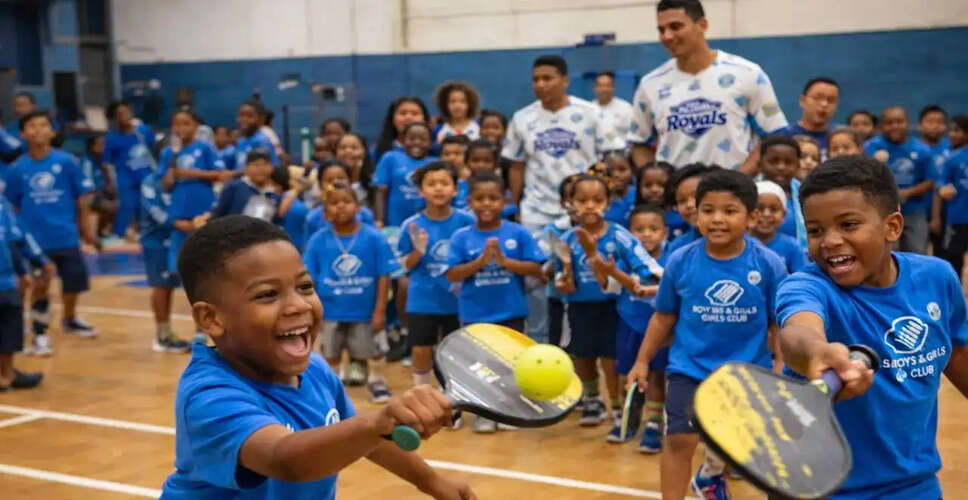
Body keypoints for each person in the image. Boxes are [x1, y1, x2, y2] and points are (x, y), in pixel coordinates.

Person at [161, 215, 475, 499]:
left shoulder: (313, 368)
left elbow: (368, 438)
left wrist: (432, 481)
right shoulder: (209, 396)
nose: (298, 305)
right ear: (210, 319)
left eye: (305, 286)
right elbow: (283, 458)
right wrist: (378, 421)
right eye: (268, 294)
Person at [775, 155, 968, 500]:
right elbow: (798, 333)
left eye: (848, 224)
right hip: (817, 489)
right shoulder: (806, 286)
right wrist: (819, 354)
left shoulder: (937, 278)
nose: (829, 240)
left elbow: (955, 350)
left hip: (914, 485)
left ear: (892, 227)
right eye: (815, 230)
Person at [628, 169, 787, 500]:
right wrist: (642, 361)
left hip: (746, 372)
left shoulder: (768, 264)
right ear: (695, 214)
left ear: (751, 217)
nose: (717, 219)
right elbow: (663, 317)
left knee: (734, 442)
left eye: (729, 211)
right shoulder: (680, 261)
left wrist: (781, 367)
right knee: (679, 440)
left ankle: (711, 476)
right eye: (708, 210)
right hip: (690, 368)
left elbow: (778, 323)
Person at [504, 54, 624, 344]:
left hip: (582, 211)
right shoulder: (523, 118)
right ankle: (538, 342)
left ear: (565, 80)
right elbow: (516, 164)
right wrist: (517, 205)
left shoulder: (591, 114)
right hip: (537, 209)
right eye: (536, 79)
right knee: (536, 275)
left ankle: (576, 343)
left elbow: (613, 157)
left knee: (579, 273)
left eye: (548, 78)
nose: (541, 85)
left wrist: (601, 193)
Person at [628, 0, 788, 173]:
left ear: (702, 25)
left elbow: (775, 135)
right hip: (677, 197)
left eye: (675, 27)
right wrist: (659, 183)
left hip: (734, 193)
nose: (667, 36)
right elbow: (639, 145)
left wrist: (738, 179)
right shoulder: (650, 84)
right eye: (661, 30)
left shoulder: (747, 73)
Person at [555, 174, 660, 432]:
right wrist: (563, 281)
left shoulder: (620, 236)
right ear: (570, 203)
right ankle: (592, 400)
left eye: (597, 200)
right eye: (582, 200)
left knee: (610, 358)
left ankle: (615, 406)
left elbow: (643, 264)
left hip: (615, 306)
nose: (590, 206)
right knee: (583, 354)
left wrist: (647, 282)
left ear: (608, 204)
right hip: (579, 306)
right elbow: (562, 274)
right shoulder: (567, 239)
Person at [446, 171, 547, 433]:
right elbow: (452, 273)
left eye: (493, 198)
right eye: (480, 198)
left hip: (511, 310)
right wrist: (479, 263)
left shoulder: (518, 233)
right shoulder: (461, 237)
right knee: (480, 366)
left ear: (504, 201)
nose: (486, 204)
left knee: (509, 365)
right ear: (470, 202)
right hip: (475, 312)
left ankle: (506, 411)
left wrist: (505, 262)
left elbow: (538, 270)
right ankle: (484, 413)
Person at [5, 111, 98, 355]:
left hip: (65, 235)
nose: (39, 130)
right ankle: (39, 333)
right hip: (35, 241)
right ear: (23, 134)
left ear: (52, 131)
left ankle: (69, 318)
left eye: (44, 125)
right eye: (32, 126)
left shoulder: (67, 162)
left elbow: (81, 198)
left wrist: (86, 228)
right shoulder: (17, 169)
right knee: (40, 284)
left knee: (74, 282)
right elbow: (11, 206)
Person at [303, 182, 397, 403]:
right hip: (331, 310)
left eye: (347, 201)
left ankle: (377, 382)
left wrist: (380, 310)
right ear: (325, 213)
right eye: (334, 203)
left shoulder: (374, 238)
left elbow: (383, 275)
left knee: (373, 349)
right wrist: (312, 309)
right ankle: (333, 387)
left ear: (358, 207)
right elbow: (309, 278)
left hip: (365, 310)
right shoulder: (318, 240)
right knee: (331, 353)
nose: (341, 207)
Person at [398, 162, 474, 391]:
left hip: (459, 299)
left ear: (456, 189)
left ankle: (454, 396)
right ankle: (421, 391)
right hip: (423, 298)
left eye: (444, 183)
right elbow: (403, 266)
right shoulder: (411, 225)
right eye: (431, 184)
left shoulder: (467, 222)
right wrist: (417, 252)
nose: (438, 189)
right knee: (421, 348)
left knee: (455, 351)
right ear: (421, 191)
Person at [613, 204, 667, 449]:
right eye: (639, 229)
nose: (646, 234)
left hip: (659, 328)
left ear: (664, 232)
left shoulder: (671, 260)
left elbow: (668, 287)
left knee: (656, 375)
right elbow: (613, 286)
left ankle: (654, 422)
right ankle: (628, 418)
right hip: (629, 322)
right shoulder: (624, 260)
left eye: (653, 229)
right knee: (627, 373)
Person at [160, 109, 232, 274]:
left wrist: (190, 173)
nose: (181, 128)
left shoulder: (205, 147)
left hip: (203, 209)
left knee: (208, 261)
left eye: (186, 123)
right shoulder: (168, 153)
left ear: (196, 126)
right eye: (177, 124)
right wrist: (172, 167)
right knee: (180, 265)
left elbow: (220, 174)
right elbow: (166, 185)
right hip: (180, 210)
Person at [864, 106, 934, 254]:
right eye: (889, 122)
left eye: (899, 121)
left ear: (908, 123)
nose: (895, 126)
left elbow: (930, 181)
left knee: (917, 252)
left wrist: (907, 193)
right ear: (881, 126)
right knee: (887, 253)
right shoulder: (871, 147)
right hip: (882, 211)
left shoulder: (922, 150)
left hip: (914, 211)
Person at [0, 195, 52, 389]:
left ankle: (8, 372)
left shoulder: (3, 206)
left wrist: (23, 272)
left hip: (5, 280)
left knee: (10, 325)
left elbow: (13, 240)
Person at [139, 164, 191, 353]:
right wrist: (182, 224)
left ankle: (168, 334)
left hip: (178, 238)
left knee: (169, 285)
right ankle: (162, 336)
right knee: (161, 286)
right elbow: (154, 211)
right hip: (155, 241)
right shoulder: (150, 182)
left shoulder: (183, 181)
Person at [104, 100, 155, 240]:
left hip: (145, 175)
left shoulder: (144, 131)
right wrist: (110, 182)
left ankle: (145, 233)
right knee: (126, 205)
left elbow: (153, 150)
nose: (124, 116)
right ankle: (118, 235)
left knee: (145, 206)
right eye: (119, 114)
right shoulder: (112, 138)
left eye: (126, 112)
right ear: (115, 117)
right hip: (125, 178)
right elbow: (107, 162)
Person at [373, 122, 438, 228]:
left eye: (423, 139)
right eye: (411, 139)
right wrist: (379, 220)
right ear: (403, 140)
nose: (417, 142)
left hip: (427, 226)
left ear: (430, 142)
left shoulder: (436, 163)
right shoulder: (390, 158)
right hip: (394, 225)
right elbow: (381, 191)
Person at [194, 149, 278, 225]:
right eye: (256, 165)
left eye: (265, 164)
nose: (261, 168)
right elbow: (216, 215)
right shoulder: (234, 188)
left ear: (271, 167)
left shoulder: (275, 193)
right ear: (246, 168)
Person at [305, 160, 376, 237]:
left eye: (341, 178)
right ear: (320, 185)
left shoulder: (365, 215)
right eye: (329, 180)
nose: (335, 183)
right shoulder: (313, 218)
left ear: (351, 182)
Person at [935, 115, 968, 279]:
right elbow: (941, 185)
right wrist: (943, 190)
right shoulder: (953, 159)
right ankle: (956, 297)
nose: (953, 135)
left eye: (957, 130)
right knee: (954, 259)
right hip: (957, 220)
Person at [751, 180, 807, 273]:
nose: (766, 214)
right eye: (760, 208)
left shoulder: (792, 246)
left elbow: (802, 276)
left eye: (774, 209)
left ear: (784, 215)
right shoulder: (738, 242)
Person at [664, 163, 720, 254]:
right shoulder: (678, 248)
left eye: (697, 196)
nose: (689, 205)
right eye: (682, 201)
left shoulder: (743, 240)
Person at [758, 134, 804, 241]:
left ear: (798, 165)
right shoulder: (747, 193)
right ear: (760, 164)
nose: (781, 167)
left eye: (788, 162)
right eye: (774, 161)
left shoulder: (806, 195)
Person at [81, 134, 119, 243]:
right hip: (90, 195)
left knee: (117, 203)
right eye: (100, 144)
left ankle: (103, 232)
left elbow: (111, 182)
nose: (103, 147)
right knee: (97, 204)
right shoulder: (87, 161)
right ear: (92, 146)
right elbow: (86, 184)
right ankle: (92, 236)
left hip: (102, 193)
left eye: (104, 144)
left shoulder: (103, 161)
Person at [786, 77, 840, 149]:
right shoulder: (785, 136)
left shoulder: (840, 140)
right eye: (818, 98)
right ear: (802, 101)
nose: (824, 104)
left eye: (831, 100)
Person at [374, 97, 430, 163]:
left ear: (424, 119)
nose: (408, 117)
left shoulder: (435, 149)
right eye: (403, 113)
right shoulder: (379, 150)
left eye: (415, 113)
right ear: (392, 119)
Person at [235, 100, 279, 170]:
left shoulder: (262, 141)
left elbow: (266, 170)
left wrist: (234, 174)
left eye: (249, 116)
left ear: (261, 119)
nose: (244, 119)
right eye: (241, 116)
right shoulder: (241, 141)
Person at [593, 71, 634, 140]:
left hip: (621, 150)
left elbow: (635, 133)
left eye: (608, 86)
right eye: (600, 86)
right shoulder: (589, 109)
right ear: (595, 88)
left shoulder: (626, 108)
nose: (604, 89)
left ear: (613, 88)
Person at [602, 153, 637, 226]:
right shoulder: (599, 199)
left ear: (632, 170)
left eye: (622, 170)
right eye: (609, 171)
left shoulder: (639, 195)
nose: (616, 175)